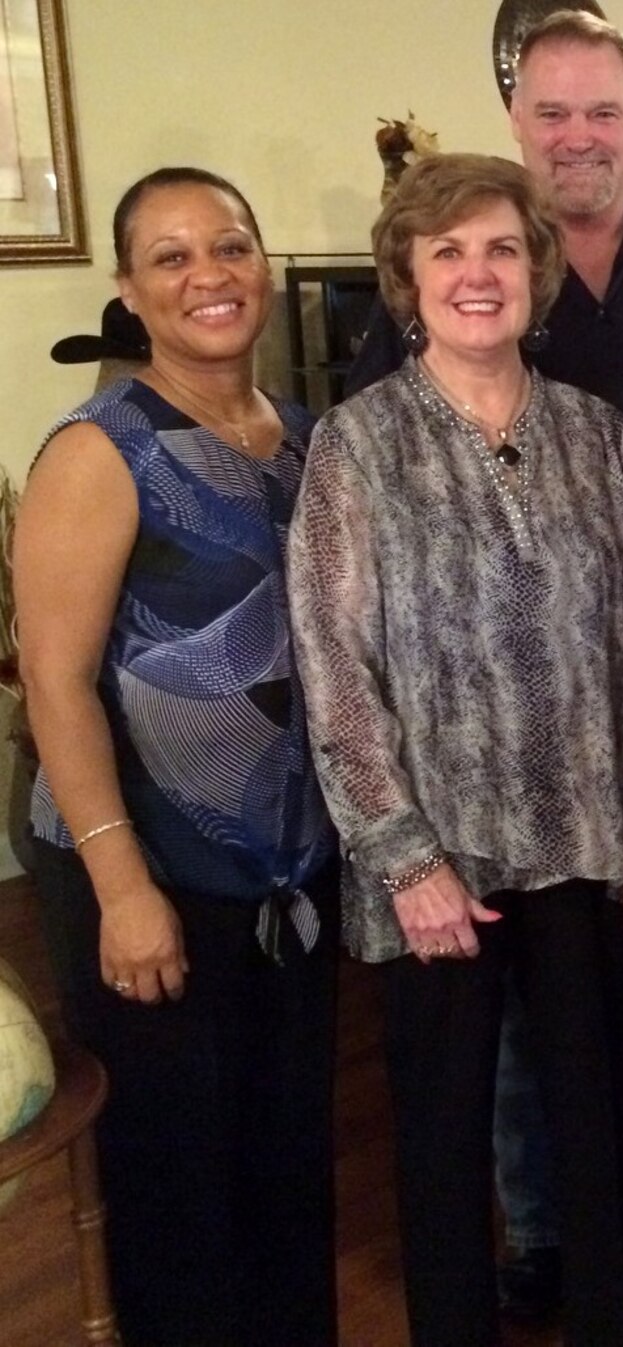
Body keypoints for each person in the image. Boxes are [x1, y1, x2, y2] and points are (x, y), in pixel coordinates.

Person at [347, 10, 623, 1306]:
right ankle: (540, 1227)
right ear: (518, 124)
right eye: (552, 113)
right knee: (532, 1028)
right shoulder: (445, 322)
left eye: (603, 111)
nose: (579, 135)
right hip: (485, 747)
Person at [289, 153, 623, 1347]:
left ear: (538, 270)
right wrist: (401, 857)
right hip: (439, 861)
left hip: (582, 834)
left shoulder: (594, 435)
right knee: (442, 1135)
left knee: (592, 1118)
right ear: (407, 280)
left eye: (503, 249)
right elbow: (334, 670)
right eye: (449, 252)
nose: (479, 273)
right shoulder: (357, 449)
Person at [15, 166, 339, 1345]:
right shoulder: (101, 452)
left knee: (287, 1152)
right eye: (171, 256)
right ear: (130, 292)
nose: (209, 274)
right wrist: (120, 885)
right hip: (144, 864)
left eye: (231, 245)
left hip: (287, 870)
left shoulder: (302, 440)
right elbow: (52, 681)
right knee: (176, 1177)